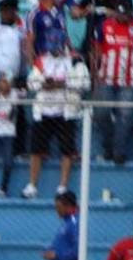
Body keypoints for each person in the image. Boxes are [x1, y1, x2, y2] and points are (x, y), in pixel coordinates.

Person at [23, 25, 89, 199]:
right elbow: (31, 83)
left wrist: (64, 84)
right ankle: (32, 185)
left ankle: (63, 186)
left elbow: (85, 83)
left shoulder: (75, 61)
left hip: (66, 111)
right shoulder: (41, 60)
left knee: (67, 150)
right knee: (36, 149)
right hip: (44, 110)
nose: (54, 51)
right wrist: (45, 84)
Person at [91, 0, 133, 166]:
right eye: (119, 13)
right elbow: (95, 51)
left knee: (124, 116)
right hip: (106, 77)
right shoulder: (103, 26)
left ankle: (117, 153)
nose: (122, 17)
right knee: (100, 114)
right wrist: (93, 76)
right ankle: (109, 145)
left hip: (130, 80)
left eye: (125, 14)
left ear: (131, 12)